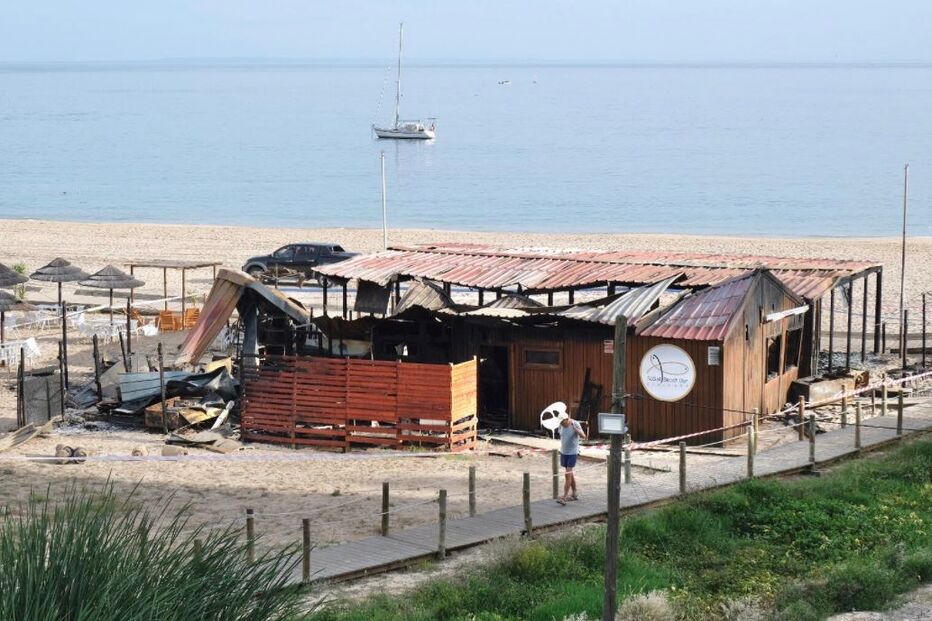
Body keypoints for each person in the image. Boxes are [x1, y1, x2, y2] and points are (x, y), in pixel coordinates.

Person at [556, 415, 587, 505]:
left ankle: (564, 497)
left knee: (567, 474)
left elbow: (584, 436)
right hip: (563, 451)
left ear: (567, 419)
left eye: (563, 422)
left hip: (572, 452)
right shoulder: (560, 425)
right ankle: (574, 493)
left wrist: (576, 430)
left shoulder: (575, 424)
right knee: (569, 473)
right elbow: (562, 435)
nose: (562, 424)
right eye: (560, 422)